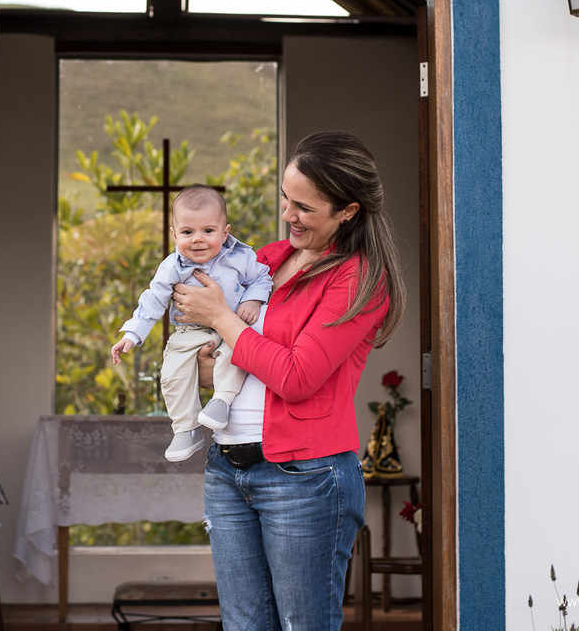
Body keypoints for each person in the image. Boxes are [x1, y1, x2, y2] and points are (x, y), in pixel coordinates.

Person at [171, 130, 405, 631]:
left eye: (304, 207)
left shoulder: (360, 279)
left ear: (349, 210)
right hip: (228, 467)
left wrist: (220, 318)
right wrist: (207, 357)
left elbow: (297, 377)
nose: (287, 215)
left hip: (305, 478)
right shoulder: (269, 260)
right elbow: (235, 357)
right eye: (285, 197)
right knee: (243, 625)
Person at [111, 185, 274, 462]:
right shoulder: (172, 267)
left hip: (230, 325)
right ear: (174, 235)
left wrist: (252, 301)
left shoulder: (241, 257)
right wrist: (132, 333)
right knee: (172, 372)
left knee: (236, 354)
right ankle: (186, 429)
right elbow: (153, 301)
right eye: (188, 232)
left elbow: (262, 279)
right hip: (189, 332)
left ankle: (221, 400)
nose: (198, 239)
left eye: (208, 231)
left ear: (225, 232)